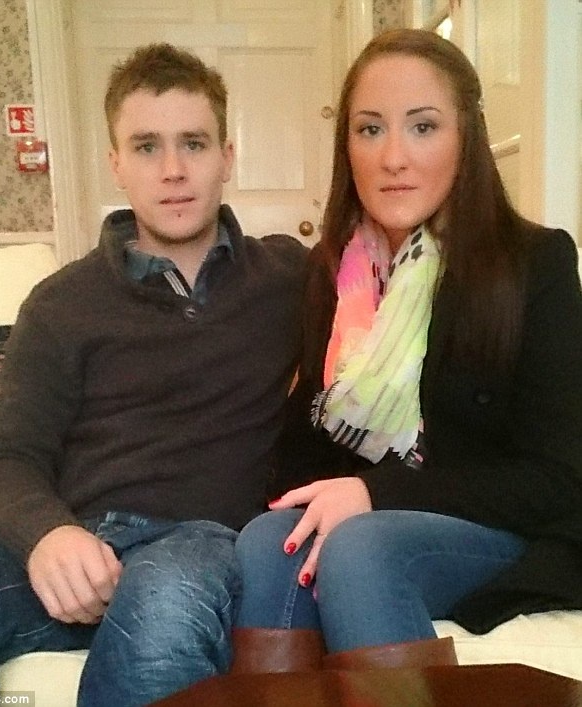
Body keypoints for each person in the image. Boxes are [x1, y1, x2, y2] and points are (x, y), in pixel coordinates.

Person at [0, 44, 307, 704]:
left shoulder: (288, 278)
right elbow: (7, 461)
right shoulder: (60, 304)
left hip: (199, 545)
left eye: (193, 143)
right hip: (79, 543)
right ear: (116, 163)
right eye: (146, 147)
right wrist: (47, 534)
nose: (173, 170)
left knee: (162, 604)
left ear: (227, 157)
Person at [232, 28, 582, 673]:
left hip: (502, 532)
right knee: (266, 543)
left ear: (467, 138)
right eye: (370, 129)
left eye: (422, 127)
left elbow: (558, 479)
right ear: (347, 148)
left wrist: (375, 493)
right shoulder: (333, 274)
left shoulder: (537, 262)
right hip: (378, 520)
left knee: (361, 546)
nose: (393, 157)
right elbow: (307, 444)